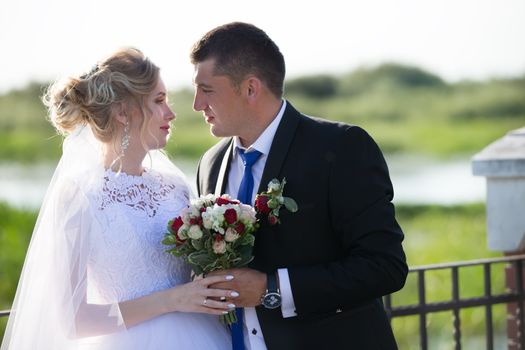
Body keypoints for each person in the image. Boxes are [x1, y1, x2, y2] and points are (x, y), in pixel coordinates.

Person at [192, 22, 408, 349]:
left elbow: (385, 267)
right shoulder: (210, 163)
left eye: (207, 90)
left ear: (250, 88)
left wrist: (271, 289)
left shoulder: (341, 148)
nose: (196, 104)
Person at [1, 48, 233, 349]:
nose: (171, 113)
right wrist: (172, 301)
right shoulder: (79, 194)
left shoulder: (175, 186)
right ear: (123, 111)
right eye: (159, 101)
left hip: (199, 336)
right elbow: (73, 321)